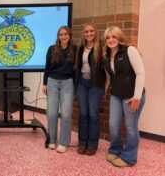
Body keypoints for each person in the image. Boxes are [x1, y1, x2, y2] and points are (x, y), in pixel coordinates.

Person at [102, 26, 145, 167]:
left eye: (113, 36)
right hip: (116, 95)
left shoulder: (129, 50)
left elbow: (140, 73)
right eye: (108, 37)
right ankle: (115, 150)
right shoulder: (106, 56)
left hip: (132, 96)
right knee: (113, 125)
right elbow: (109, 77)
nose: (110, 40)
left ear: (119, 37)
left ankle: (129, 158)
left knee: (131, 127)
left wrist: (137, 97)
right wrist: (104, 90)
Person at [42, 26, 76, 153]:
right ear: (58, 36)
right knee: (52, 113)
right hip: (52, 82)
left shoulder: (74, 49)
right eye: (61, 34)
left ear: (69, 35)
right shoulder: (51, 49)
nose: (63, 36)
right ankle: (52, 140)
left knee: (66, 114)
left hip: (68, 83)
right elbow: (47, 67)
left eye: (65, 34)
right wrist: (44, 83)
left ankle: (63, 142)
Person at [75, 24, 106, 156]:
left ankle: (92, 144)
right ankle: (82, 143)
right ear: (84, 34)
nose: (89, 33)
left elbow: (106, 69)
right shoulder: (80, 48)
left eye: (91, 31)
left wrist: (105, 87)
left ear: (95, 32)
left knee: (93, 114)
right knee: (83, 113)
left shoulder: (101, 47)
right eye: (86, 32)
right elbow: (77, 66)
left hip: (96, 85)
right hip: (82, 83)